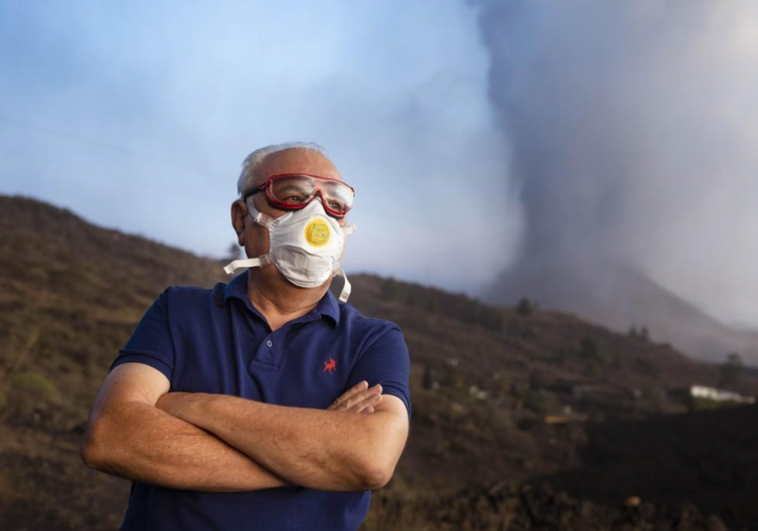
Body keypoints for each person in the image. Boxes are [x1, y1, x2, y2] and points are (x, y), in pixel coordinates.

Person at [80, 142, 412, 530]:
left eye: (335, 204)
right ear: (242, 220)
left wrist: (197, 407)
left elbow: (371, 459)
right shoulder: (180, 311)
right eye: (292, 196)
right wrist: (317, 455)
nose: (316, 216)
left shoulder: (374, 341)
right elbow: (111, 437)